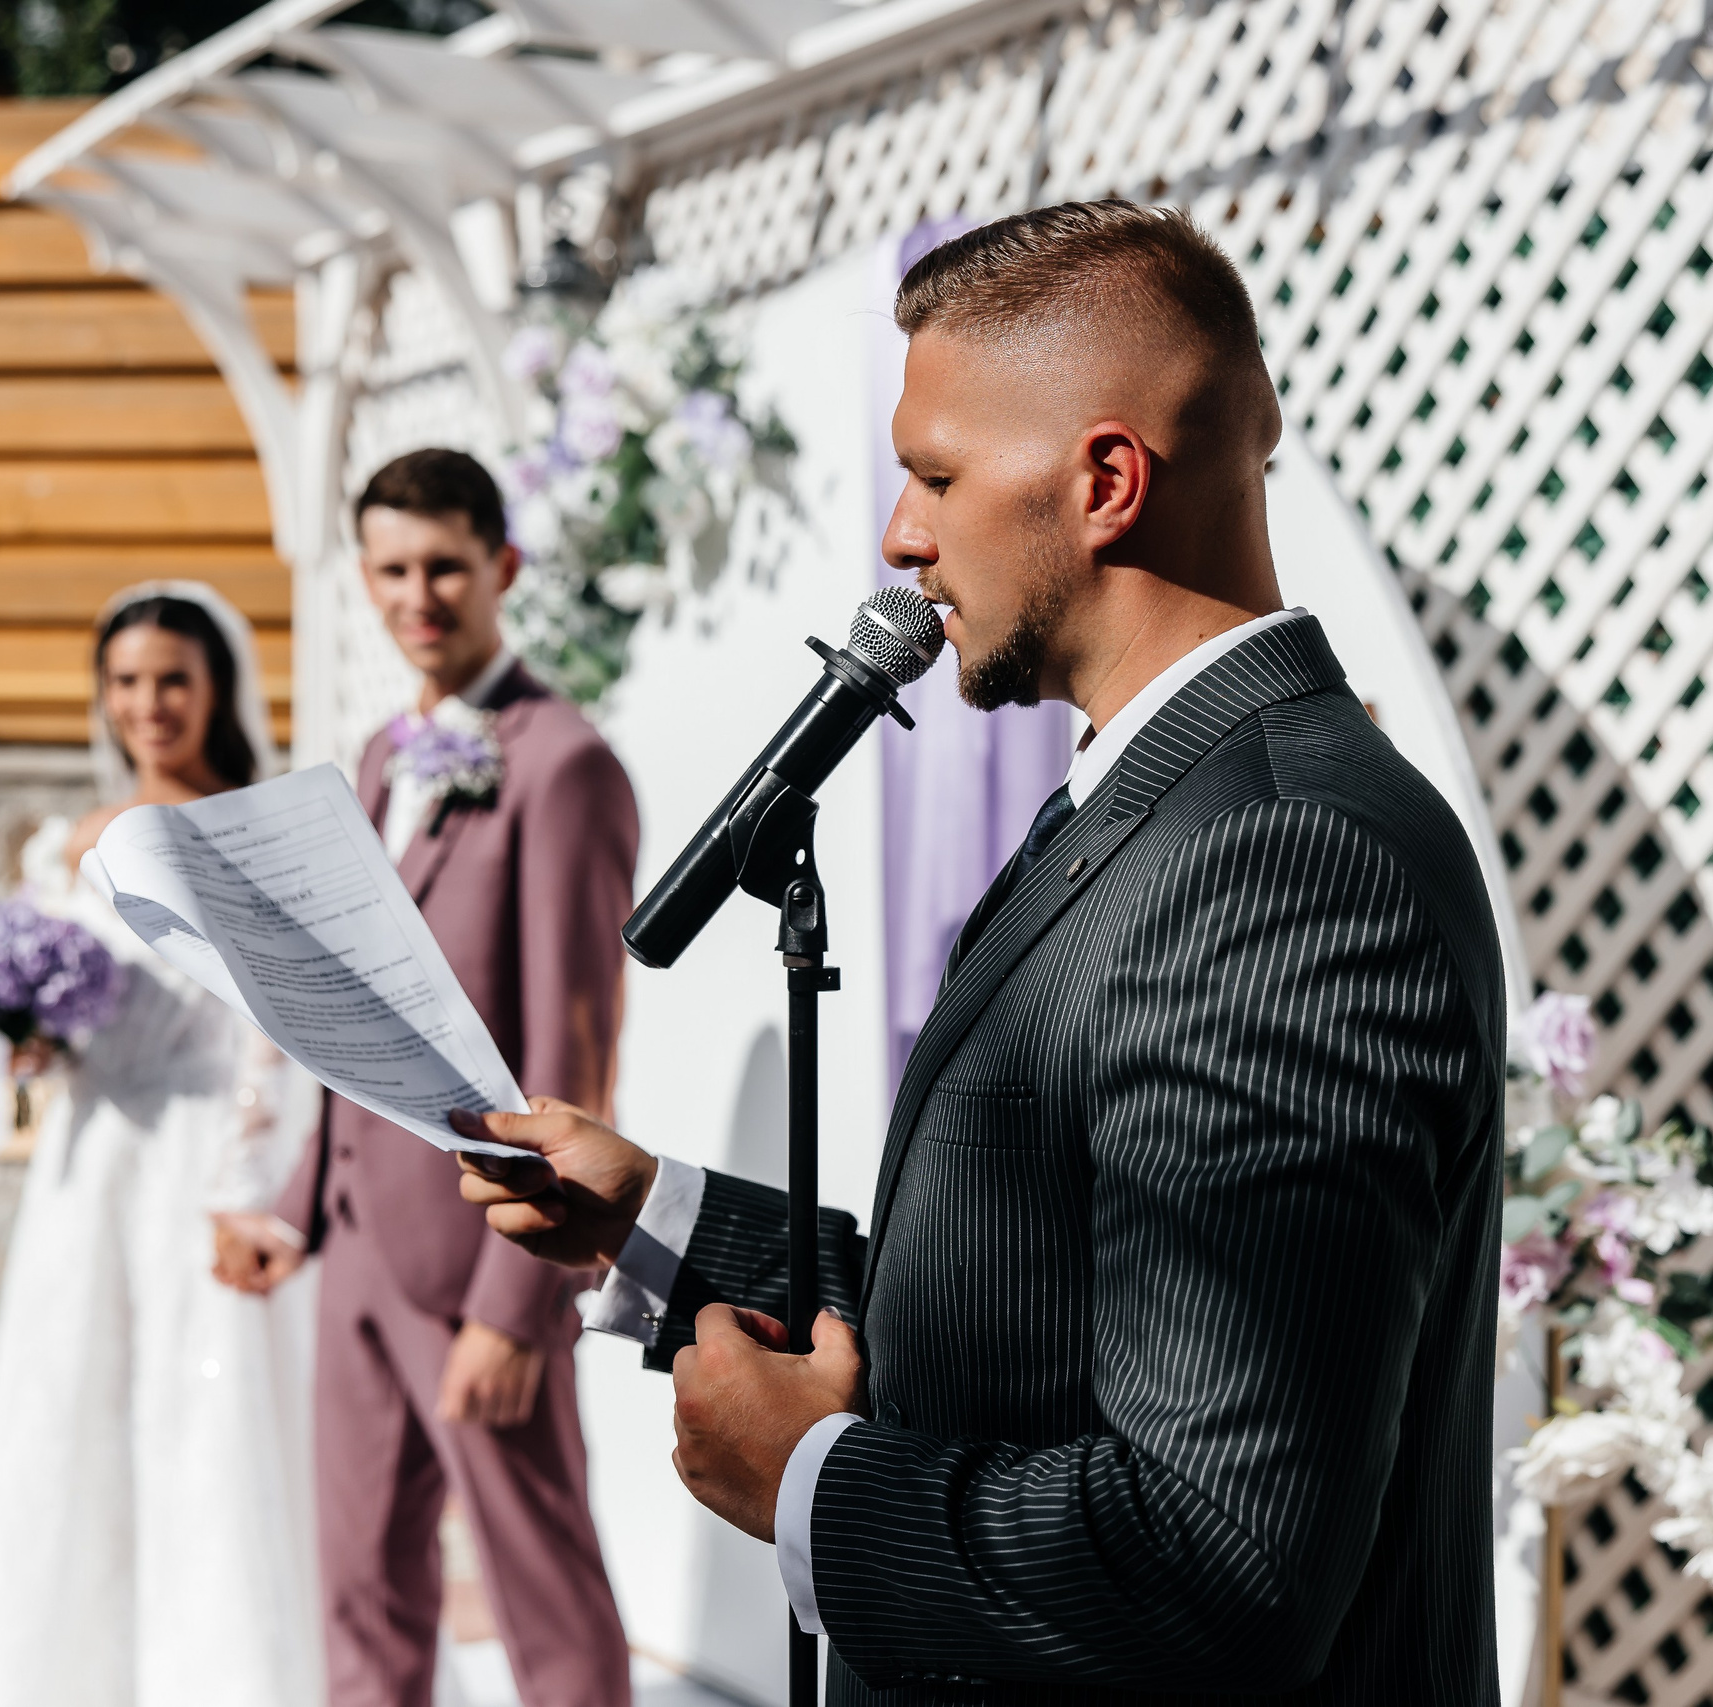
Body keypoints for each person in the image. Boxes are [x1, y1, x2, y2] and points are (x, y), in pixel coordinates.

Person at [455, 201, 1511, 1704]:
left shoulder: (1280, 862)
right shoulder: (1157, 795)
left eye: (936, 474)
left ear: (1104, 482)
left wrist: (808, 1478)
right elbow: (1024, 1314)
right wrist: (661, 1218)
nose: (900, 534)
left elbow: (1219, 1556)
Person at [215, 448, 637, 1707]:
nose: (420, 595)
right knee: (362, 1584)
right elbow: (357, 1029)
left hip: (479, 1258)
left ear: (501, 567)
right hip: (353, 1244)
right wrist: (298, 1202)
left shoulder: (563, 765)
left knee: (541, 1595)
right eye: (393, 569)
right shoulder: (379, 759)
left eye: (445, 565)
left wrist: (520, 1302)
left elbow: (576, 1054)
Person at [0, 583, 325, 1707]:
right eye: (124, 682)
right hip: (89, 1165)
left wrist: (248, 1190)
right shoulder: (63, 850)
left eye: (172, 679)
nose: (147, 704)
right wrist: (20, 1045)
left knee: (207, 1414)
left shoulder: (253, 831)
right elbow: (51, 1036)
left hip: (205, 1157)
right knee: (72, 1407)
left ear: (217, 690)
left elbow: (279, 1038)